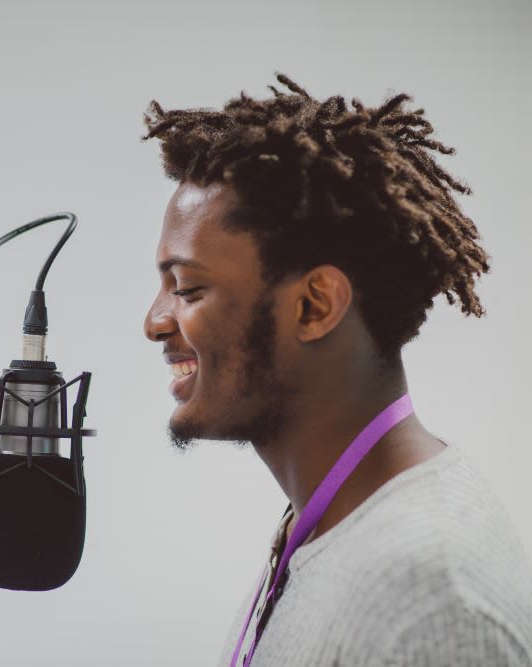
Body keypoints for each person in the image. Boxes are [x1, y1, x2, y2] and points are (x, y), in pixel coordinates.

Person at [141, 73, 532, 666]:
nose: (154, 321)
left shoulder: (434, 608)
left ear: (314, 305)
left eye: (188, 288)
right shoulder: (328, 522)